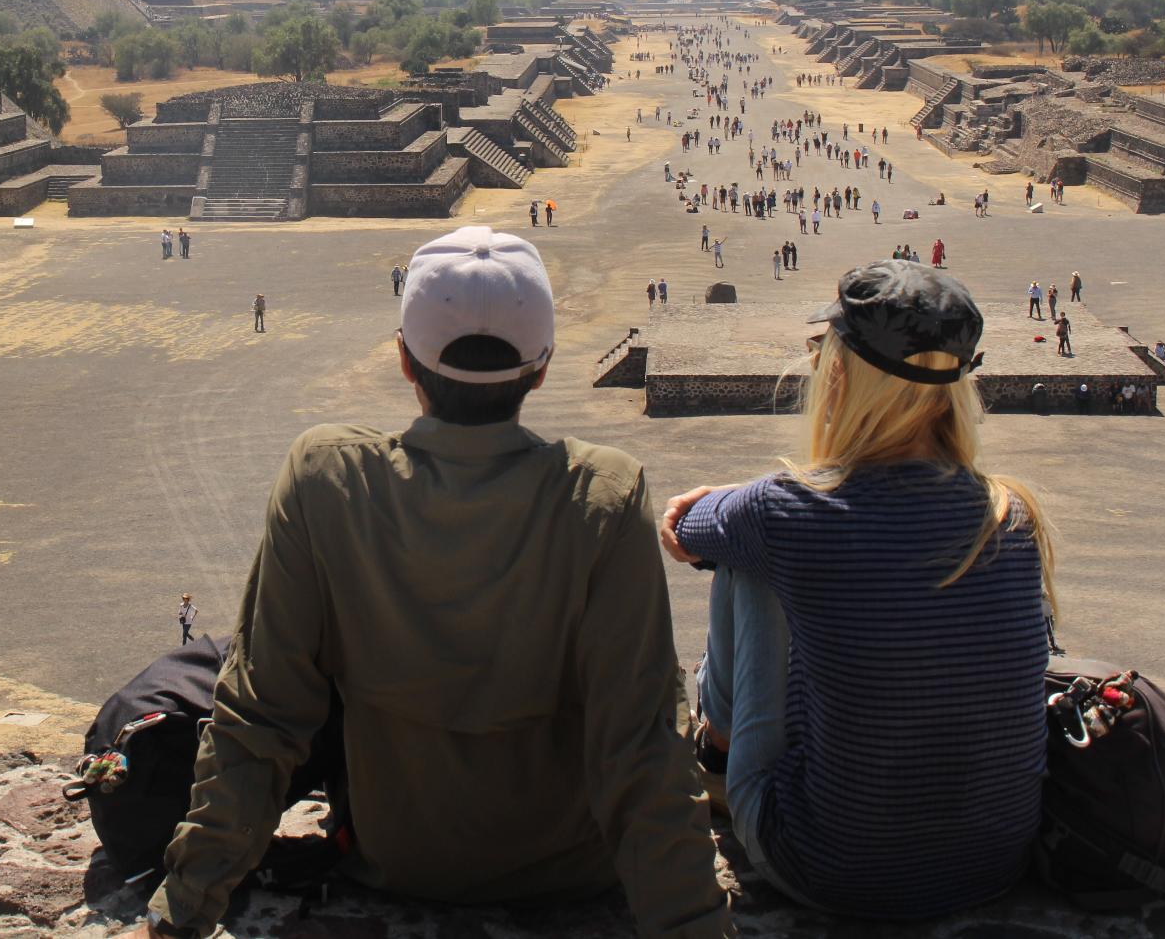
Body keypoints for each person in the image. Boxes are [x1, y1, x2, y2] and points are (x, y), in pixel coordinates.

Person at [137, 226, 730, 939]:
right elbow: (641, 743)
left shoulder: (327, 479)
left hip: (399, 858)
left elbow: (261, 714)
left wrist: (181, 911)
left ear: (404, 360)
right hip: (571, 864)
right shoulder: (602, 494)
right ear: (540, 369)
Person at [661, 260, 1054, 922]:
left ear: (838, 374)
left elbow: (683, 530)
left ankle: (720, 751)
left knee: (747, 560)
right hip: (995, 861)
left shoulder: (786, 510)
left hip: (831, 868)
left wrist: (737, 502)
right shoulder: (1011, 513)